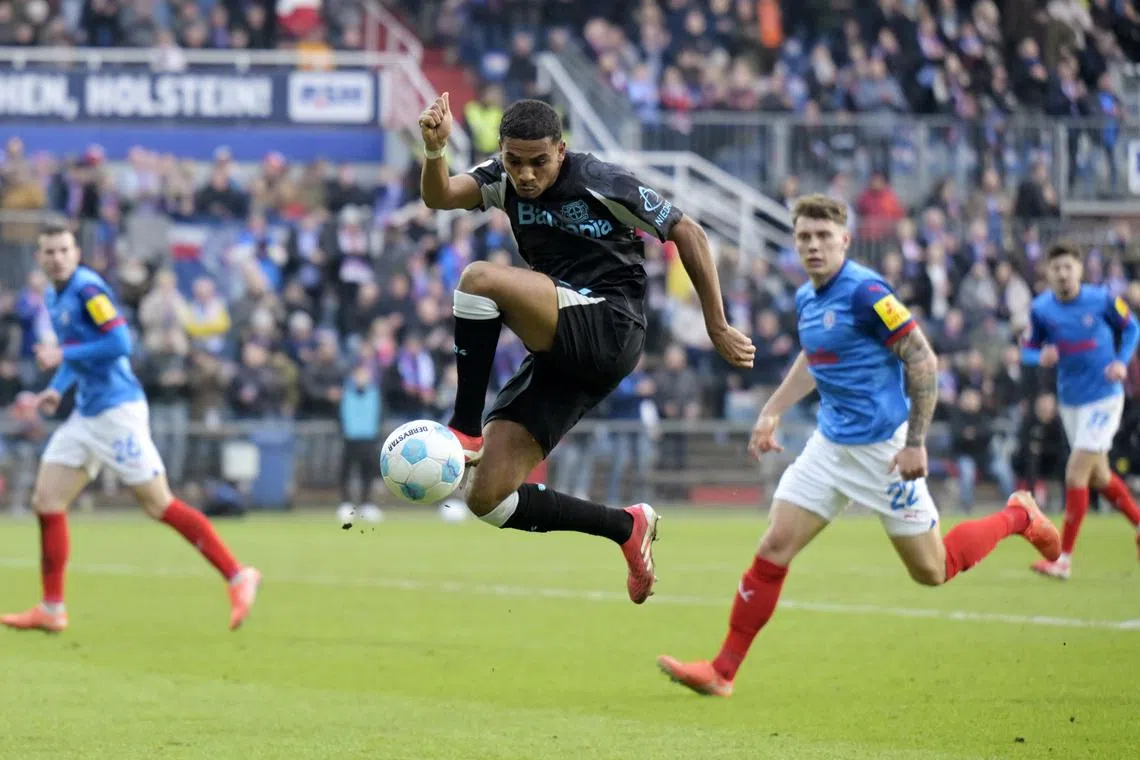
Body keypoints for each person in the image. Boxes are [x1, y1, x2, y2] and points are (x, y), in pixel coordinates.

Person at [656, 195, 1060, 697]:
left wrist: (915, 442)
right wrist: (773, 409)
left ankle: (1018, 515)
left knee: (931, 571)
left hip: (883, 452)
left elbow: (923, 360)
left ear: (844, 240)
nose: (813, 245)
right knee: (774, 546)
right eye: (804, 237)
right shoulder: (807, 298)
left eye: (823, 237)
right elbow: (813, 358)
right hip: (829, 446)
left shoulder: (867, 292)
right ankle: (722, 671)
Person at [417, 93, 754, 603]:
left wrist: (717, 324)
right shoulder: (499, 177)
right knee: (486, 498)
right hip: (563, 347)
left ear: (562, 150)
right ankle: (626, 526)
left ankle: (464, 428)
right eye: (515, 162)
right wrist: (435, 151)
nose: (526, 175)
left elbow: (687, 231)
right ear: (503, 153)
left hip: (610, 322)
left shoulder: (600, 180)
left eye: (539, 162)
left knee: (479, 279)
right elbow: (440, 197)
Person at [1, 225, 261, 634]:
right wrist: (56, 389)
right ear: (40, 258)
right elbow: (78, 352)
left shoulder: (88, 290)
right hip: (87, 413)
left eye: (64, 250)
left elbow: (121, 342)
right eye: (49, 252)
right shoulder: (54, 294)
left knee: (158, 504)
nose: (57, 258)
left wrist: (63, 353)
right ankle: (52, 608)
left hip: (117, 411)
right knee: (47, 500)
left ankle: (237, 574)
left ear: (76, 252)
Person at [1022, 241, 1140, 580]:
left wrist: (1120, 361)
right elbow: (1028, 351)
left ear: (1079, 270)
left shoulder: (1102, 299)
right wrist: (1039, 357)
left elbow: (1132, 328)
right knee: (1099, 476)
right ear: (1047, 272)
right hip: (1071, 401)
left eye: (1068, 267)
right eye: (1055, 268)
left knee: (1075, 473)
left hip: (1105, 397)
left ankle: (1063, 559)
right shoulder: (1041, 308)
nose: (1062, 273)